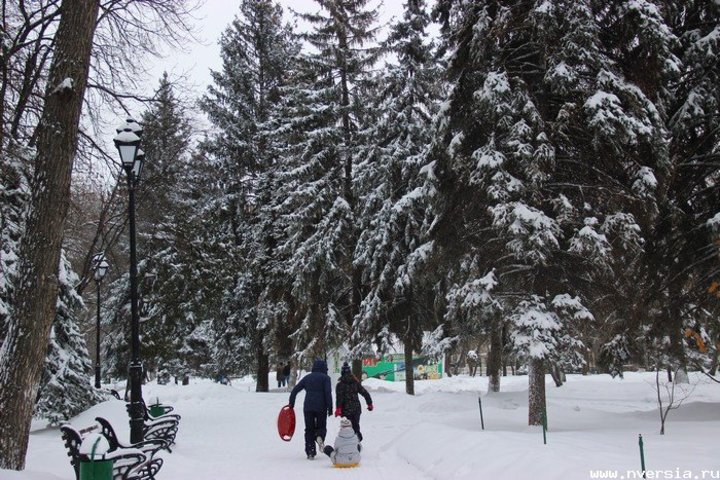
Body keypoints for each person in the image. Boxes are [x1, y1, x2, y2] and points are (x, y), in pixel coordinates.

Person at [288, 359, 333, 459]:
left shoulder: (307, 378)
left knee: (309, 429)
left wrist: (291, 403)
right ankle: (319, 436)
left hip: (308, 407)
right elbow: (328, 393)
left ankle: (310, 452)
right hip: (321, 407)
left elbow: (295, 390)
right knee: (321, 426)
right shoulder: (326, 378)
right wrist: (330, 407)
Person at [334, 362, 373, 441]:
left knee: (347, 428)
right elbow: (365, 393)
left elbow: (339, 398)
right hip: (356, 409)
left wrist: (338, 409)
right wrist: (369, 403)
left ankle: (351, 442)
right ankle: (357, 439)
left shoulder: (340, 385)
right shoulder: (355, 382)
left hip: (345, 410)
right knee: (355, 426)